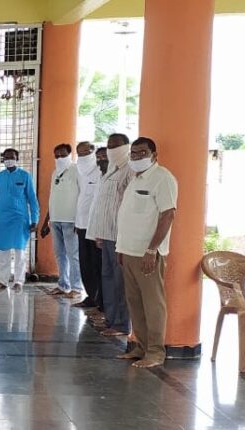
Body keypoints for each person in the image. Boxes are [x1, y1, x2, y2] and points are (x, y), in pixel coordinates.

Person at [116, 137, 178, 368]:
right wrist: (121, 248)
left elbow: (168, 215)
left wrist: (152, 250)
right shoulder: (135, 179)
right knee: (135, 302)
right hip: (129, 251)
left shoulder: (163, 178)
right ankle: (141, 347)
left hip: (148, 253)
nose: (136, 157)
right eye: (133, 153)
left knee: (153, 304)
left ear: (154, 155)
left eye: (142, 153)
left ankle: (155, 352)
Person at [86, 133, 134, 337]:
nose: (111, 149)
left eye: (116, 145)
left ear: (126, 146)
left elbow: (130, 205)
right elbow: (103, 204)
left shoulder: (130, 170)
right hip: (106, 234)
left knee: (119, 281)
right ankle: (111, 318)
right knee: (107, 277)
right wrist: (99, 233)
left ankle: (122, 323)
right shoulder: (110, 170)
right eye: (109, 145)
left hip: (120, 235)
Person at [0, 148, 39, 290]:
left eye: (12, 157)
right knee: (3, 251)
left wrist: (35, 220)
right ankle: (3, 281)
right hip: (2, 219)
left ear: (17, 159)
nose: (9, 160)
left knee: (19, 251)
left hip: (20, 219)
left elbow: (32, 199)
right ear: (3, 159)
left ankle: (18, 281)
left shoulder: (25, 176)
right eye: (6, 157)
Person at [40, 143, 81, 299]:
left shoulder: (76, 170)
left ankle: (76, 287)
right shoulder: (55, 173)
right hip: (55, 219)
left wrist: (79, 220)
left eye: (63, 155)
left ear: (70, 155)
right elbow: (53, 198)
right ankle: (63, 285)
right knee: (59, 254)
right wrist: (46, 221)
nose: (59, 158)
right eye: (56, 156)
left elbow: (82, 195)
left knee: (73, 255)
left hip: (71, 220)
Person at [73, 141, 103, 309]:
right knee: (85, 264)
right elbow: (80, 198)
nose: (83, 156)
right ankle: (91, 296)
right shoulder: (79, 171)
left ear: (93, 151)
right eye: (80, 153)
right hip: (82, 226)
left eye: (86, 152)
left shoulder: (100, 171)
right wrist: (77, 222)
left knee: (97, 265)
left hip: (96, 228)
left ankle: (100, 301)